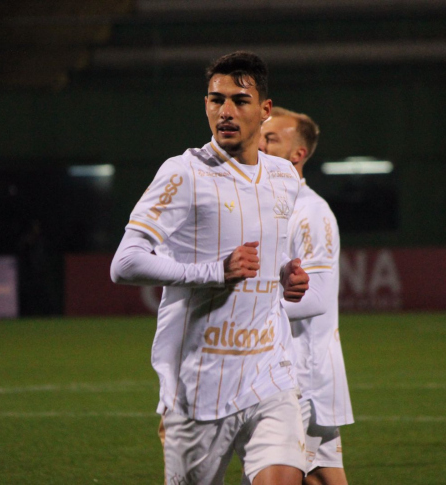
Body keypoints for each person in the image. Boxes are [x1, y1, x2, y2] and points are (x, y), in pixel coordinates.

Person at [111, 52, 309, 485]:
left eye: (240, 100)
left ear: (265, 110)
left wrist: (288, 277)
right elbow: (123, 263)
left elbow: (276, 257)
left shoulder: (284, 177)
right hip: (199, 387)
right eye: (216, 100)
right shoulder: (183, 173)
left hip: (269, 376)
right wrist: (213, 272)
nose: (226, 111)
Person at [260, 107, 354, 485]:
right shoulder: (269, 207)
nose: (259, 143)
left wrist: (251, 309)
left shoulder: (311, 212)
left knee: (268, 476)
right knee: (321, 477)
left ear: (297, 154)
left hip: (303, 377)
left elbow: (315, 299)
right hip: (280, 370)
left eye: (271, 138)